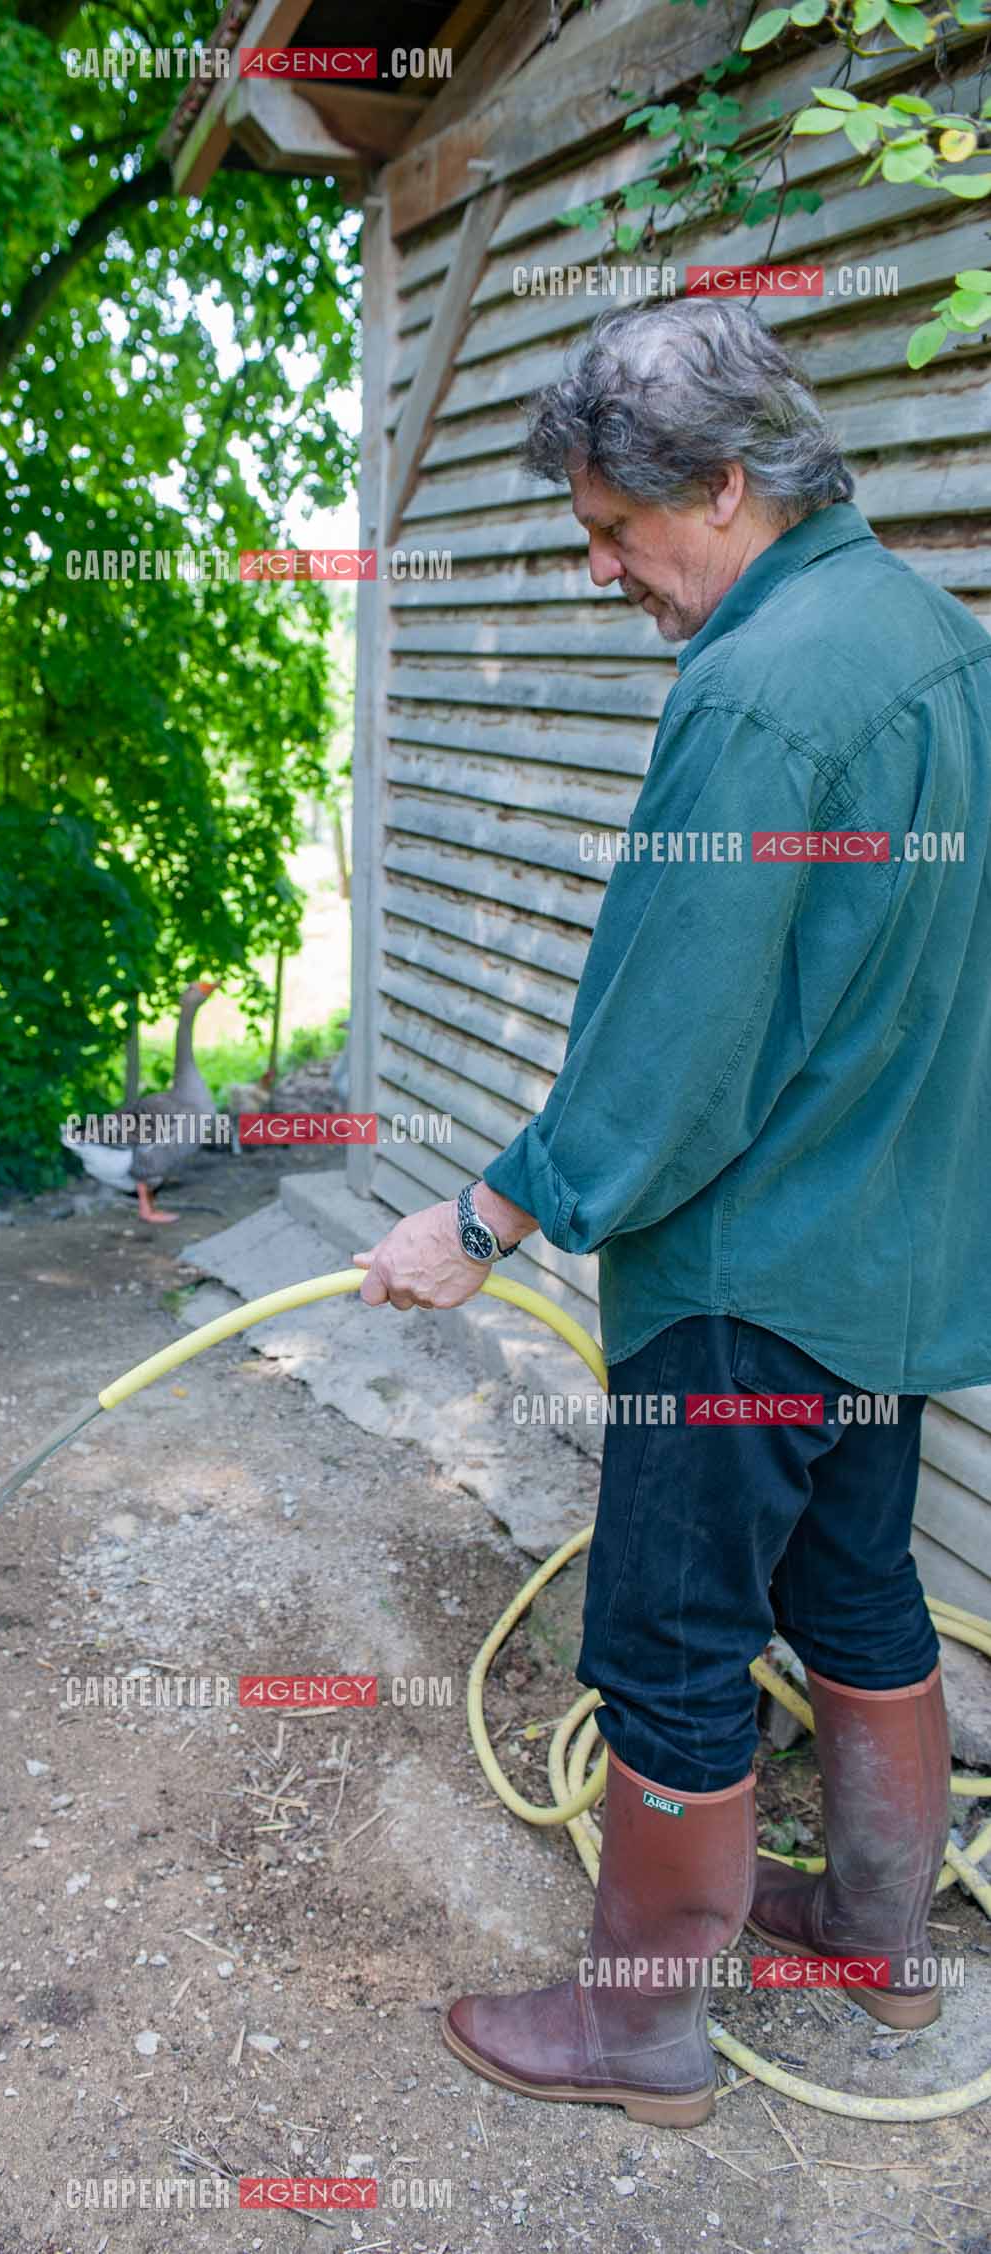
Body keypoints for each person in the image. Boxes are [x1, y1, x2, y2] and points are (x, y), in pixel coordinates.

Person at [352, 296, 990, 2127]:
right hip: (888, 1257)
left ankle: (637, 2033)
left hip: (744, 1268)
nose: (605, 569)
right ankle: (878, 1940)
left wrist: (489, 1215)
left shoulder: (759, 692)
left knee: (669, 1638)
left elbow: (669, 1033)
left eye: (617, 528)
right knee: (858, 1583)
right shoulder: (945, 645)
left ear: (723, 484)